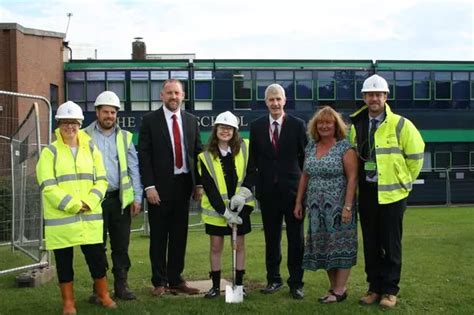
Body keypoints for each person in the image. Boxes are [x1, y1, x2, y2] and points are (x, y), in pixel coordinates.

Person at [350, 74, 425, 308]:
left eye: (378, 94)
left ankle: (390, 291)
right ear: (364, 97)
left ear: (386, 97)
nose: (374, 98)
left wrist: (404, 182)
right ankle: (374, 288)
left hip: (393, 194)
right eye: (370, 94)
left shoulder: (401, 124)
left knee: (391, 244)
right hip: (368, 193)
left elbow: (416, 156)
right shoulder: (357, 124)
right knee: (371, 243)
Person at [36, 101, 116, 314]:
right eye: (65, 122)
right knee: (64, 264)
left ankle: (103, 295)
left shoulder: (91, 148)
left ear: (80, 124)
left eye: (74, 122)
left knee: (97, 260)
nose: (70, 127)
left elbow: (102, 180)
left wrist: (88, 202)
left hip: (89, 217)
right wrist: (73, 205)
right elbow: (47, 185)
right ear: (59, 124)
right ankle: (68, 303)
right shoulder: (49, 153)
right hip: (62, 221)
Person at [138, 79, 203, 297]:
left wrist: (199, 184)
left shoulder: (192, 121)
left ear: (183, 95)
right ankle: (159, 282)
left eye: (177, 93)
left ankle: (176, 280)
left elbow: (198, 153)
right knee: (158, 237)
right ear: (161, 95)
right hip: (158, 188)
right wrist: (149, 186)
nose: (173, 97)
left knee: (179, 237)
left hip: (184, 186)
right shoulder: (149, 121)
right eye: (169, 93)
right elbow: (144, 156)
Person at [246, 83, 308, 299]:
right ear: (266, 102)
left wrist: (303, 191)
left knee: (296, 240)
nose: (275, 103)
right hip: (268, 194)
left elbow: (305, 160)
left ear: (285, 100)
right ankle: (274, 280)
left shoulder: (298, 126)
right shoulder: (256, 126)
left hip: (293, 194)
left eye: (278, 99)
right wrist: (246, 189)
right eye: (271, 99)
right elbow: (252, 161)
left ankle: (296, 283)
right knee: (271, 240)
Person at [293, 106, 358, 303]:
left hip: (338, 207)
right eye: (320, 122)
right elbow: (305, 176)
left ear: (336, 125)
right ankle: (334, 288)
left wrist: (347, 207)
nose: (324, 126)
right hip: (315, 207)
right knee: (325, 247)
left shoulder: (344, 148)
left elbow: (353, 178)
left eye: (328, 122)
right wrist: (298, 202)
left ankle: (339, 290)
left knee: (341, 246)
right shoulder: (311, 147)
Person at [84, 91, 142, 301]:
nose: (109, 116)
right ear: (97, 112)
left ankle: (121, 286)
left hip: (119, 201)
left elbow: (134, 167)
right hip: (94, 201)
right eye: (106, 112)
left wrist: (137, 197)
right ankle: (99, 289)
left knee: (121, 246)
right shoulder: (84, 136)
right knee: (96, 247)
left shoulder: (125, 137)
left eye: (113, 112)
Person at [198, 111, 255, 299]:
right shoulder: (205, 157)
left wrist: (243, 194)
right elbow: (210, 189)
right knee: (216, 247)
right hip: (217, 212)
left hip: (242, 208)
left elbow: (252, 172)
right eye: (222, 127)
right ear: (216, 130)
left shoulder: (245, 148)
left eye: (229, 128)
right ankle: (215, 286)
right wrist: (225, 214)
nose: (225, 131)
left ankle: (239, 285)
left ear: (235, 131)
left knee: (239, 246)